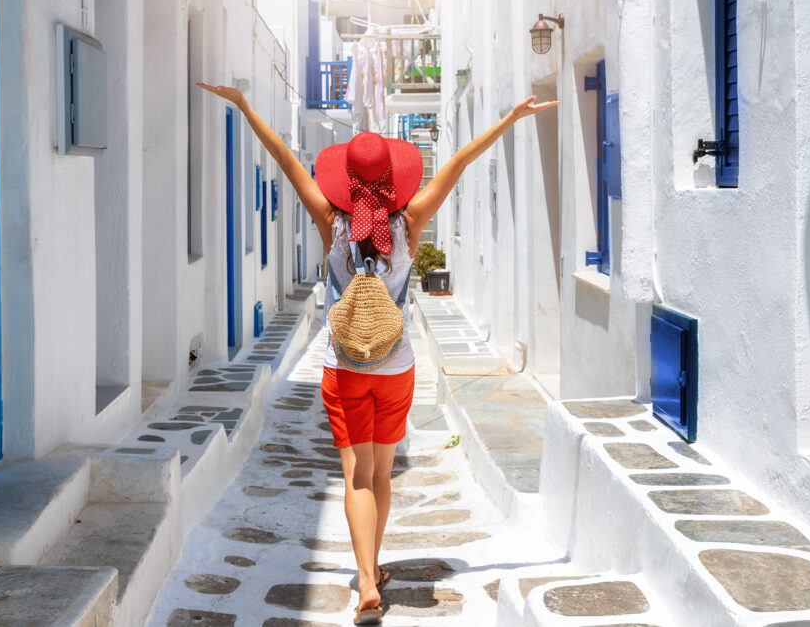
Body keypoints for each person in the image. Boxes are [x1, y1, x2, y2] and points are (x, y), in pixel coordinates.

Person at [199, 81, 557, 624]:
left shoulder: (331, 224)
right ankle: (373, 569)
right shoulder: (409, 225)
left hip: (344, 368)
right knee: (382, 476)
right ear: (392, 180)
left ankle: (367, 579)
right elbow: (458, 163)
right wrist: (509, 119)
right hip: (395, 367)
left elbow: (284, 158)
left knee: (356, 477)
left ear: (345, 182)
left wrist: (246, 105)